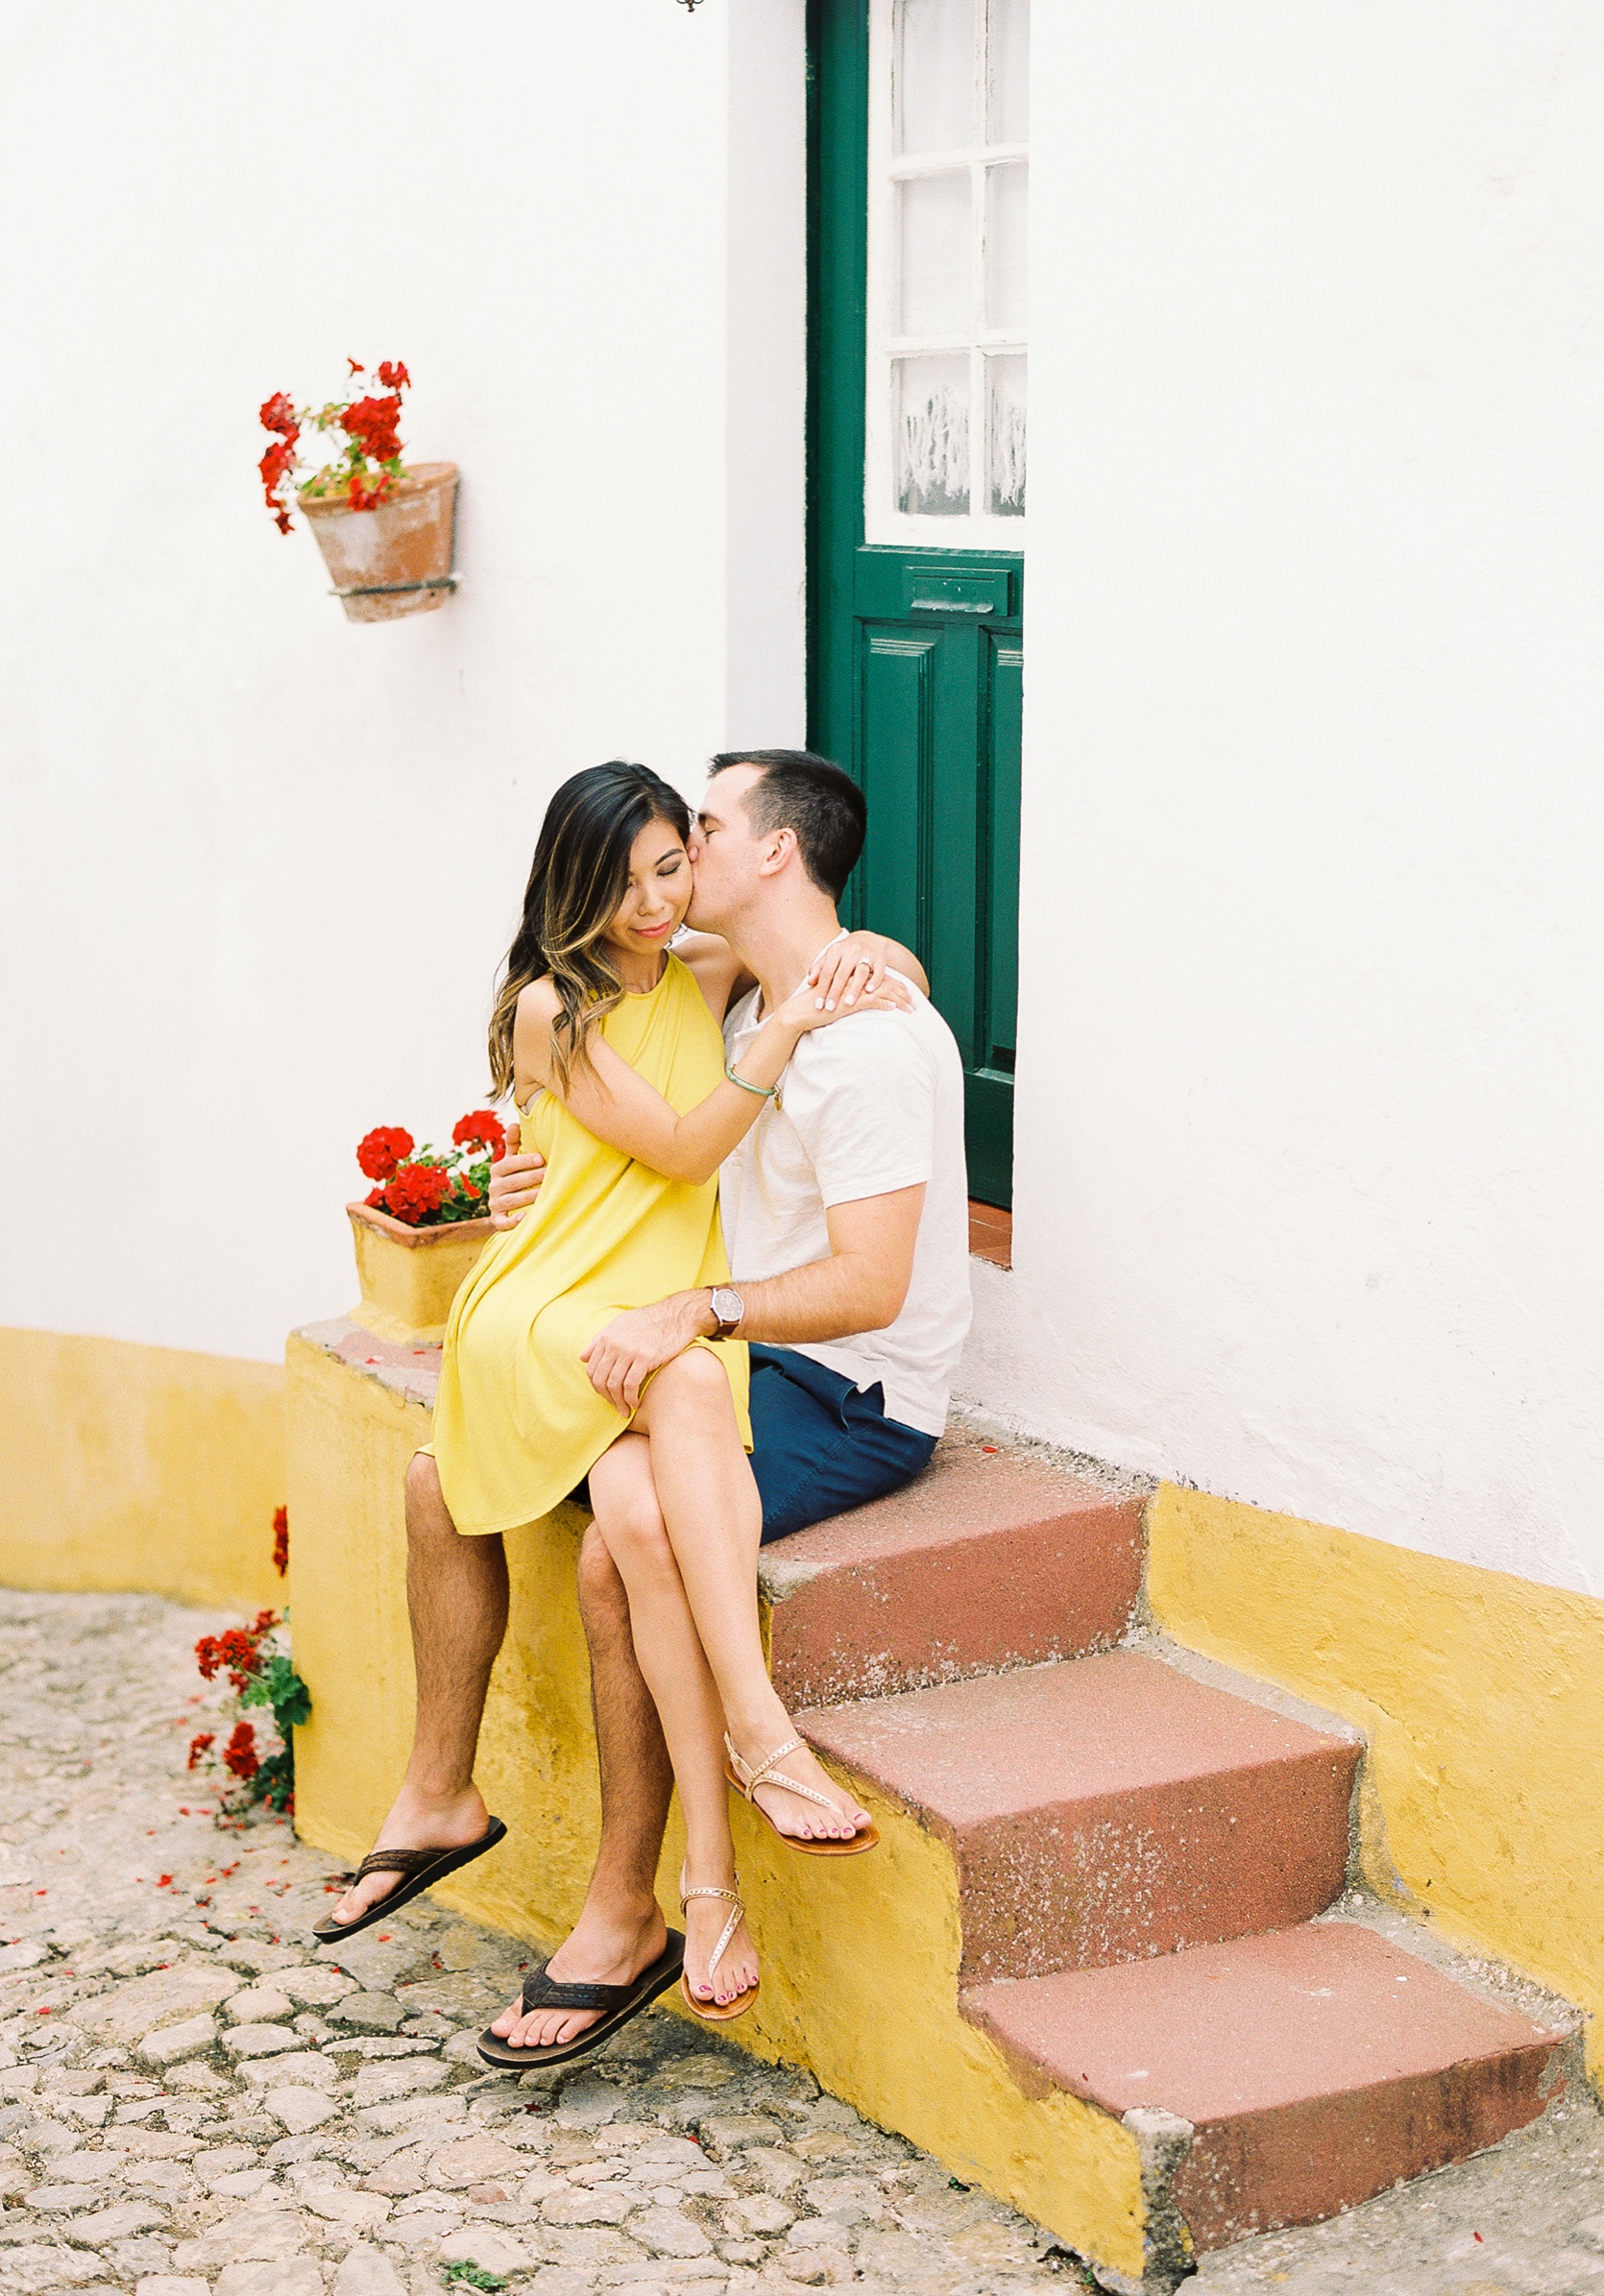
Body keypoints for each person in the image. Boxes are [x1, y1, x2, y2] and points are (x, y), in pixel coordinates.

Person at [319, 759, 918, 2039]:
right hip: (545, 1302)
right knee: (688, 1380)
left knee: (666, 1434)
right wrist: (792, 1030)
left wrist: (878, 976)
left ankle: (699, 1876)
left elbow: (858, 953)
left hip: (650, 1288)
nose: (654, 898)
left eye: (671, 866)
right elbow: (695, 1146)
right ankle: (757, 1738)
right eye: (630, 874)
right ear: (573, 878)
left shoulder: (699, 972)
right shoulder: (556, 1006)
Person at [477, 750, 973, 2061]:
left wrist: (698, 1311)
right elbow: (602, 1082)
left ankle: (660, 1895)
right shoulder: (735, 994)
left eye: (702, 826)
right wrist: (517, 1177)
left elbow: (871, 1285)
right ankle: (719, 1829)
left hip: (852, 1391)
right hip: (742, 1365)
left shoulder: (859, 1041)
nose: (679, 852)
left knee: (618, 1544)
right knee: (619, 1509)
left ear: (771, 854)